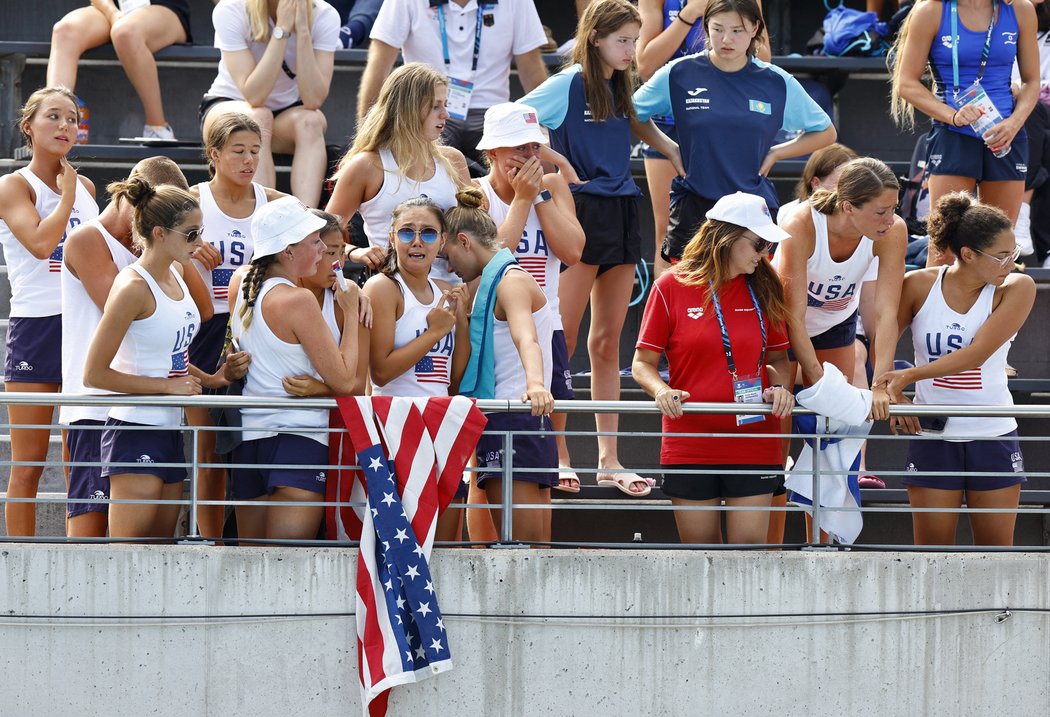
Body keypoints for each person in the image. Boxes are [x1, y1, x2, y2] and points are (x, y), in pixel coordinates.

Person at [521, 0, 680, 496]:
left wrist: (671, 148)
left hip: (623, 209)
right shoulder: (568, 83)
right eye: (623, 41)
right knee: (562, 341)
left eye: (635, 40)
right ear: (595, 38)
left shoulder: (620, 82)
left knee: (608, 343)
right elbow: (512, 122)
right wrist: (561, 167)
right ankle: (560, 454)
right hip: (579, 212)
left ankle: (608, 459)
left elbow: (634, 121)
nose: (632, 49)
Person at [632, 192, 795, 545]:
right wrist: (661, 390)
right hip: (690, 440)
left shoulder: (766, 286)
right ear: (726, 237)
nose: (765, 253)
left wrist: (781, 387)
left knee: (748, 560)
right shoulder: (669, 287)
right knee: (700, 558)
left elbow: (780, 359)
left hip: (755, 440)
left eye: (769, 244)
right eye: (759, 243)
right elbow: (642, 364)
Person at [82, 180, 242, 540]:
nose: (200, 242)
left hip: (169, 428)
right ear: (159, 233)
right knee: (129, 557)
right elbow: (94, 374)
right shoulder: (132, 287)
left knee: (160, 552)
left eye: (201, 232)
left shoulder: (179, 274)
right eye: (191, 234)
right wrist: (167, 387)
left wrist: (215, 379)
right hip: (134, 430)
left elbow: (172, 355)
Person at [876, 193, 1034, 546]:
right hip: (933, 436)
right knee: (931, 552)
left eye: (1014, 252)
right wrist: (887, 387)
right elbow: (885, 329)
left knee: (996, 552)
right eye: (1002, 256)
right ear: (967, 254)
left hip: (993, 433)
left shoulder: (1017, 287)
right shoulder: (919, 284)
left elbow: (976, 354)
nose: (1012, 262)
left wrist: (908, 376)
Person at [633, 0, 836, 264]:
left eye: (737, 31)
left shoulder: (776, 81)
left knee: (745, 291)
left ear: (755, 29)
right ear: (705, 27)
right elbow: (633, 114)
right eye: (717, 29)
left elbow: (825, 132)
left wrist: (776, 153)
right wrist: (671, 149)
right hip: (695, 202)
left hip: (751, 204)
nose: (726, 39)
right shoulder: (680, 73)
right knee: (688, 293)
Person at [60, 156, 192, 538]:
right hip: (95, 404)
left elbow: (181, 321)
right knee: (90, 541)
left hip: (142, 409)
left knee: (151, 548)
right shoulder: (88, 239)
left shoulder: (155, 255)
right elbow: (127, 316)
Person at [228, 197, 364, 543]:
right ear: (288, 251)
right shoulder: (298, 300)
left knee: (251, 566)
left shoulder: (242, 285)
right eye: (314, 241)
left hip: (249, 441)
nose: (323, 250)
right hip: (299, 440)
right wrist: (349, 312)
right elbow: (347, 382)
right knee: (286, 568)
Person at [473, 102, 585, 500]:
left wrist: (537, 196)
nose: (528, 157)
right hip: (494, 330)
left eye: (534, 148)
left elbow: (572, 252)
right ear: (492, 154)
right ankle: (484, 547)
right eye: (517, 149)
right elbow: (491, 255)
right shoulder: (476, 194)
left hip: (545, 325)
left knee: (543, 452)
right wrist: (520, 200)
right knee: (486, 456)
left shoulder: (552, 187)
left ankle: (539, 543)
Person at [0, 87, 99, 537]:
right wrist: (65, 196)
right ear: (28, 127)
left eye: (72, 119)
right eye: (53, 117)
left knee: (82, 458)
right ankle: (16, 559)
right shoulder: (14, 185)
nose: (64, 126)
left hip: (83, 325)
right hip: (36, 325)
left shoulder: (88, 188)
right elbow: (41, 245)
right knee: (28, 462)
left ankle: (80, 554)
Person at [184, 111, 287, 538]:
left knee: (249, 440)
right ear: (214, 155)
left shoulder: (276, 203)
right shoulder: (191, 202)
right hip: (207, 328)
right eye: (239, 151)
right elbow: (147, 246)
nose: (249, 160)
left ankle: (243, 532)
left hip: (258, 330)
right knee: (206, 447)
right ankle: (209, 540)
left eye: (256, 152)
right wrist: (188, 245)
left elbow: (322, 243)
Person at [443, 187, 556, 544]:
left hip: (515, 416)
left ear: (463, 242)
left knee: (522, 548)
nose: (449, 267)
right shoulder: (489, 286)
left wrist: (535, 384)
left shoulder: (511, 282)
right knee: (520, 546)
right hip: (510, 418)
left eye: (448, 256)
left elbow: (528, 339)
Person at [890, 0, 1040, 266]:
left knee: (998, 250)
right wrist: (953, 116)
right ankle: (934, 308)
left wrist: (1015, 123)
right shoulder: (932, 10)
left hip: (1005, 133)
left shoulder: (1020, 9)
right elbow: (906, 83)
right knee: (944, 249)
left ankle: (992, 309)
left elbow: (1031, 81)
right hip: (953, 133)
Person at [637, 0, 772, 277]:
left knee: (736, 229)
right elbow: (646, 64)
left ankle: (728, 314)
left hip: (728, 123)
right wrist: (691, 13)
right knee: (670, 233)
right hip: (670, 125)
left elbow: (764, 60)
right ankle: (671, 316)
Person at [363, 198, 470, 541]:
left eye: (427, 233)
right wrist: (436, 332)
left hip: (440, 421)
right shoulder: (383, 287)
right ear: (392, 237)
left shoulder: (445, 292)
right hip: (396, 425)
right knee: (403, 539)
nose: (417, 241)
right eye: (407, 232)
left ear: (442, 241)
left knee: (448, 540)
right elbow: (380, 372)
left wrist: (461, 321)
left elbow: (454, 378)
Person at [775, 158, 908, 424]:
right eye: (881, 212)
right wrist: (816, 376)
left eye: (894, 208)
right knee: (781, 416)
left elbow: (886, 313)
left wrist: (880, 384)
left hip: (836, 320)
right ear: (848, 207)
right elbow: (794, 316)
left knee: (837, 422)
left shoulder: (894, 230)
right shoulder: (801, 225)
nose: (890, 219)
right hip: (782, 321)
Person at [358, 0, 550, 166]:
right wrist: (365, 136)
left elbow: (532, 71)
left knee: (541, 157)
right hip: (427, 109)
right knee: (412, 157)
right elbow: (379, 66)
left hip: (493, 112)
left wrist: (547, 132)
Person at [326, 63, 470, 282]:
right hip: (392, 293)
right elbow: (324, 236)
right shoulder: (367, 165)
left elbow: (473, 232)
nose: (446, 114)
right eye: (435, 106)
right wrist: (356, 252)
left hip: (453, 294)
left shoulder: (453, 160)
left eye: (446, 105)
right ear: (408, 109)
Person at [201, 0, 339, 207]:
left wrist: (302, 31)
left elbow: (313, 99)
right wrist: (282, 29)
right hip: (228, 105)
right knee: (258, 117)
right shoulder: (231, 9)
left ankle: (306, 217)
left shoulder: (325, 14)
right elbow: (254, 96)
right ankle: (261, 217)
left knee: (312, 120)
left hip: (284, 115)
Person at [47, 0, 191, 140]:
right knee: (64, 30)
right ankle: (53, 121)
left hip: (162, 7)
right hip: (113, 8)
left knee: (125, 32)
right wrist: (113, 14)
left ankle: (158, 127)